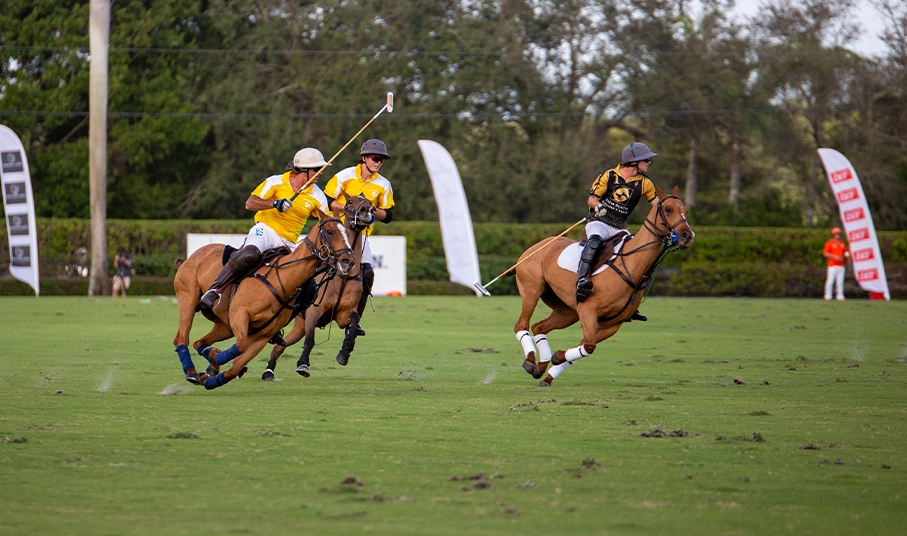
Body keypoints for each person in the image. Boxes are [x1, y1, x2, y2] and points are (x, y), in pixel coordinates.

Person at [199, 147, 331, 310]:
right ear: (303, 170)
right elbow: (250, 203)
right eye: (318, 169)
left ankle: (278, 323)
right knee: (249, 254)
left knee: (309, 287)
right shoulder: (275, 182)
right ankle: (214, 290)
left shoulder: (318, 196)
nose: (321, 173)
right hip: (266, 231)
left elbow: (327, 222)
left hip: (290, 242)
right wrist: (275, 204)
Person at [576, 142, 660, 321]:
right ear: (634, 161)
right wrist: (598, 206)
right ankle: (582, 279)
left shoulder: (645, 183)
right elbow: (591, 199)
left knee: (638, 254)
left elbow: (658, 206)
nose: (649, 162)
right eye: (646, 159)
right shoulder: (609, 175)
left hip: (620, 227)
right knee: (595, 241)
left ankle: (632, 302)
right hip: (600, 221)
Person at [322, 139, 395, 336]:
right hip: (337, 233)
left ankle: (356, 321)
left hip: (360, 238)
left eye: (382, 160)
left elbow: (388, 215)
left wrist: (372, 210)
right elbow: (327, 200)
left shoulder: (383, 184)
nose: (379, 162)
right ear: (364, 158)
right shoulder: (344, 176)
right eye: (375, 158)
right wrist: (347, 208)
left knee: (368, 273)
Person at [822, 226, 849, 301]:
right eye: (836, 234)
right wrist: (834, 257)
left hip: (841, 265)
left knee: (840, 282)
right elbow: (825, 253)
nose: (838, 235)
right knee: (830, 281)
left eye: (839, 234)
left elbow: (845, 251)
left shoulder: (842, 243)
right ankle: (828, 295)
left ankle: (840, 295)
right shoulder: (830, 243)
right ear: (833, 234)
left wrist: (847, 255)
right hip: (832, 265)